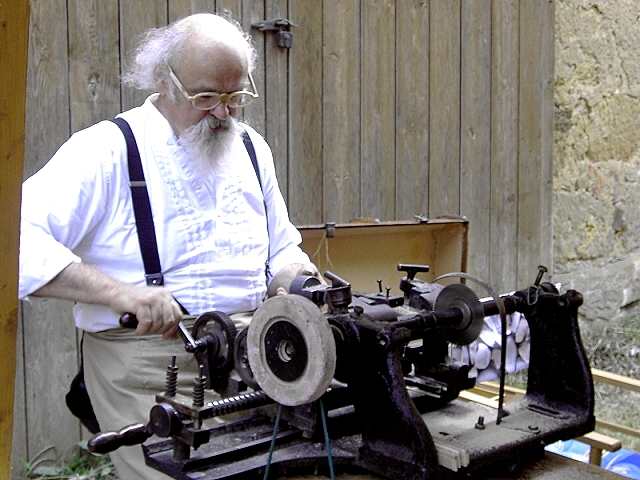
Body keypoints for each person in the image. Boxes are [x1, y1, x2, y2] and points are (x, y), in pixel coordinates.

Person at [18, 13, 317, 479]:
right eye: (205, 97)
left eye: (235, 96)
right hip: (149, 367)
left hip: (254, 358)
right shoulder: (106, 150)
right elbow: (15, 242)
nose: (223, 112)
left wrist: (298, 281)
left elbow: (282, 248)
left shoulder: (253, 148)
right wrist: (125, 295)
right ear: (163, 80)